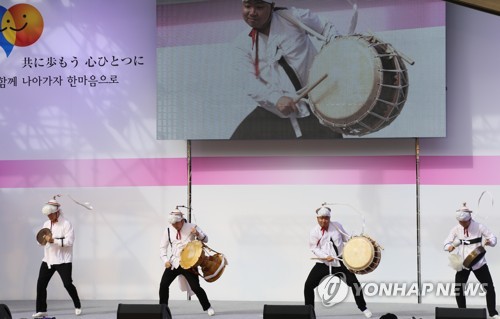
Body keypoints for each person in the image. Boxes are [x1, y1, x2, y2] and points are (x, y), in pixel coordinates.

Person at [231, 0, 343, 139]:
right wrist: (276, 98)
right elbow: (247, 80)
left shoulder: (292, 17)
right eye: (247, 6)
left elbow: (326, 27)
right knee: (235, 146)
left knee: (331, 150)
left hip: (318, 101)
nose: (252, 12)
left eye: (259, 7)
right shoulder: (242, 43)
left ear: (271, 7)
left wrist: (338, 48)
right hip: (276, 109)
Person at [304, 206, 372, 318]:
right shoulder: (314, 231)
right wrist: (325, 256)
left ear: (329, 218)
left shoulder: (337, 226)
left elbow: (347, 238)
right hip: (324, 263)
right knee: (308, 286)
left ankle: (363, 307)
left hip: (340, 262)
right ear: (317, 218)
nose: (323, 221)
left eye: (326, 218)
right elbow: (313, 248)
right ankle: (309, 312)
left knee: (355, 284)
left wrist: (356, 239)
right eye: (321, 218)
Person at [443, 203, 500, 318]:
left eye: (464, 222)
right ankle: (462, 312)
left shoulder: (479, 227)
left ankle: (493, 313)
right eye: (460, 222)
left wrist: (490, 242)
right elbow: (446, 243)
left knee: (489, 287)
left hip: (478, 262)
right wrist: (451, 246)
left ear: (469, 219)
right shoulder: (456, 229)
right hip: (463, 263)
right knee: (459, 289)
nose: (462, 224)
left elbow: (493, 238)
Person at [159, 208, 215, 316]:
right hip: (174, 262)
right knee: (163, 285)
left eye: (176, 223)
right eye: (173, 223)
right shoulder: (168, 230)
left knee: (196, 287)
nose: (175, 225)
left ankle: (207, 306)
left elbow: (206, 239)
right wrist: (165, 260)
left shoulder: (192, 227)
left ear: (181, 220)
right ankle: (162, 308)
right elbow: (162, 248)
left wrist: (197, 233)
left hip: (189, 263)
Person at [33, 197, 82, 318]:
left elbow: (69, 242)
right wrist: (43, 240)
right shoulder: (46, 224)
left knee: (67, 284)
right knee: (41, 284)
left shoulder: (66, 224)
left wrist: (53, 240)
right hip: (48, 259)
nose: (49, 217)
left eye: (50, 215)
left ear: (57, 212)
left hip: (63, 260)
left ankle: (77, 304)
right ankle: (41, 310)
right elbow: (40, 242)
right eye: (47, 215)